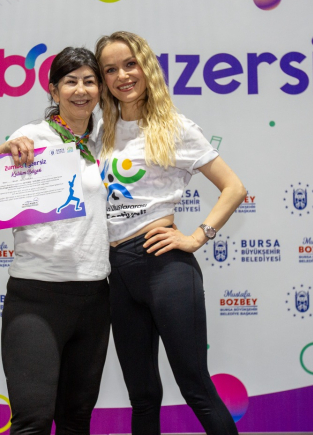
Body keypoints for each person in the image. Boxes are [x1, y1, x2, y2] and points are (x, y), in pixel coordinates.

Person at [95, 31, 246, 434]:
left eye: (130, 64)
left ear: (147, 67)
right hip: (117, 274)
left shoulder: (175, 127)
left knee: (195, 387)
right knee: (142, 397)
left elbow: (234, 188)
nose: (123, 76)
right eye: (110, 69)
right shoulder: (100, 132)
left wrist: (197, 236)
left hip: (165, 267)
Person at [0, 47, 110, 434]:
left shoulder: (107, 138)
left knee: (76, 420)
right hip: (37, 295)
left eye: (90, 81)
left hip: (95, 297)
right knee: (33, 420)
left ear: (100, 89)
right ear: (53, 90)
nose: (81, 90)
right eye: (70, 81)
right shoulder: (31, 136)